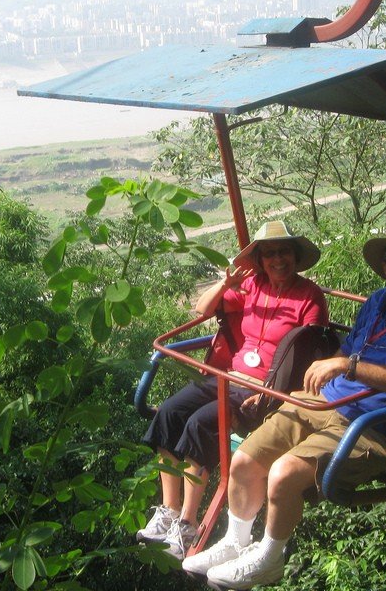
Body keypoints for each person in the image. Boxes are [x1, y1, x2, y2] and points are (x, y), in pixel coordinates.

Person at [182, 215, 386, 589]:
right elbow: (351, 347)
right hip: (323, 403)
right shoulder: (379, 301)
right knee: (245, 461)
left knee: (281, 475)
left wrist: (347, 365)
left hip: (372, 426)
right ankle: (235, 541)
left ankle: (269, 558)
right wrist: (327, 375)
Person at [137, 221, 329, 559]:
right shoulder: (253, 285)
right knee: (169, 412)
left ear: (295, 256)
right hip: (228, 375)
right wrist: (225, 283)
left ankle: (187, 523)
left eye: (283, 252)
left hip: (262, 388)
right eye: (269, 254)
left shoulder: (308, 296)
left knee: (200, 424)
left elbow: (310, 353)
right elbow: (203, 309)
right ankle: (168, 509)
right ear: (260, 260)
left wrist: (271, 394)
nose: (277, 260)